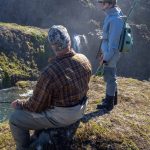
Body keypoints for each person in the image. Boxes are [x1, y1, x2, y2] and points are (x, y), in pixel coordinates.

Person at [9, 25, 92, 150]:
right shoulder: (84, 59)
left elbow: (35, 106)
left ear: (53, 46)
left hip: (63, 117)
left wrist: (19, 103)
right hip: (80, 109)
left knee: (15, 119)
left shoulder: (49, 72)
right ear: (69, 40)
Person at [96, 0, 123, 111]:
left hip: (111, 53)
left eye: (103, 2)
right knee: (111, 75)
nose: (101, 4)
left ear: (110, 4)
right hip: (108, 51)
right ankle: (113, 98)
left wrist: (106, 58)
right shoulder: (112, 14)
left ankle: (109, 103)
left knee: (109, 77)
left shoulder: (115, 20)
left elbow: (113, 45)